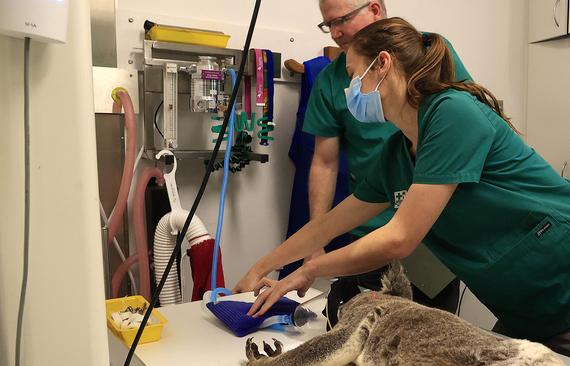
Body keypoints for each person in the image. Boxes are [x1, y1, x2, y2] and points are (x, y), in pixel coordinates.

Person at [235, 17, 570, 356]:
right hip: (524, 307)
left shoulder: (453, 113)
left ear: (382, 64)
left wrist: (311, 270)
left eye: (353, 76)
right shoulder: (397, 153)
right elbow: (327, 225)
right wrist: (259, 267)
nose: (349, 90)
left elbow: (399, 238)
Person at [286, 0, 471, 318]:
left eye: (342, 19)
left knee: (424, 338)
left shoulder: (432, 60)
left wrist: (312, 263)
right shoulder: (332, 81)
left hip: (430, 234)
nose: (336, 32)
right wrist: (313, 245)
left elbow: (463, 125)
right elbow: (324, 163)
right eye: (328, 24)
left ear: (374, 9)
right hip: (368, 226)